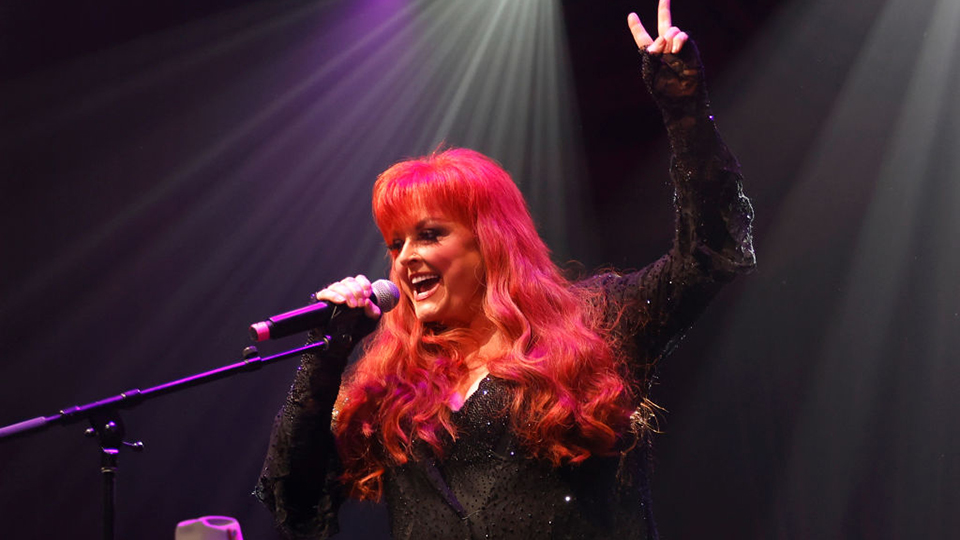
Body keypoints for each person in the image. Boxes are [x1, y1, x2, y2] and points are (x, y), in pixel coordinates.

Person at [255, 2, 756, 538]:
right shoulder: (392, 384)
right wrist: (325, 356)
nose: (405, 258)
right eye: (395, 244)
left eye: (429, 234)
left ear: (490, 242)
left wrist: (684, 109)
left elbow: (711, 252)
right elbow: (294, 500)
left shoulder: (596, 325)